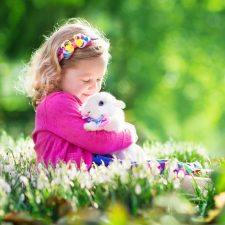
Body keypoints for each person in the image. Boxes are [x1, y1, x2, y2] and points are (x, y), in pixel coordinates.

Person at [24, 18, 137, 169]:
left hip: (87, 164)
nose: (94, 87)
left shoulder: (75, 103)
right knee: (155, 170)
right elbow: (98, 142)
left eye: (99, 79)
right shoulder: (56, 103)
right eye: (86, 80)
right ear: (57, 73)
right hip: (78, 168)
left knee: (150, 166)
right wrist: (128, 133)